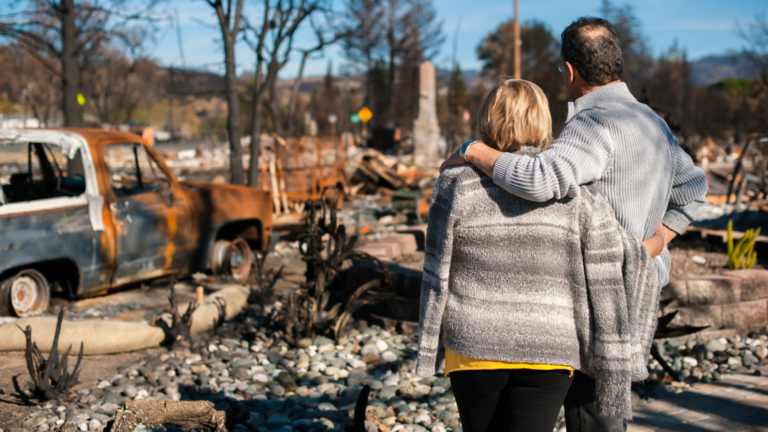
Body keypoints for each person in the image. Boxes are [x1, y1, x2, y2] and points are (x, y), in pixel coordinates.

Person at [440, 17, 708, 432]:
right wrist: (654, 243)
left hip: (598, 293)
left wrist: (473, 150)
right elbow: (694, 187)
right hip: (638, 288)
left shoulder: (592, 124)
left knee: (591, 417)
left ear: (569, 70)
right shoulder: (651, 122)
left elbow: (538, 179)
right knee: (604, 414)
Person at [417, 79, 661, 432]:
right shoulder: (575, 192)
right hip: (551, 346)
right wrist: (658, 241)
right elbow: (610, 260)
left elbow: (435, 270)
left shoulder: (455, 183)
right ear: (544, 121)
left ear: (487, 120)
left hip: (474, 342)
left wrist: (427, 346)